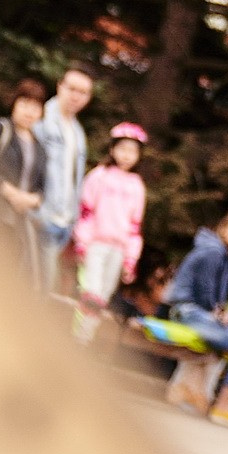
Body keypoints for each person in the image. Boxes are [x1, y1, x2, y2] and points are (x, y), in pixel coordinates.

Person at [163, 209, 228, 419]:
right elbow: (205, 294)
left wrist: (219, 313)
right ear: (223, 228)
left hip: (203, 314)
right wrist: (219, 315)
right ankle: (227, 402)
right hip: (188, 312)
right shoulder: (214, 251)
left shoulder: (226, 256)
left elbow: (214, 299)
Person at [0, 79, 50, 281]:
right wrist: (11, 193)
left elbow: (42, 188)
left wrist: (31, 200)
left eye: (35, 106)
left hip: (16, 225)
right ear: (14, 103)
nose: (29, 111)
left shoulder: (40, 148)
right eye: (24, 103)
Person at [71, 122, 149, 317]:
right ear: (112, 149)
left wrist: (131, 258)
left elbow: (135, 227)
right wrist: (82, 241)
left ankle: (85, 338)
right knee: (91, 292)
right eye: (122, 148)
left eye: (132, 151)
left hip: (119, 249)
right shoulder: (99, 176)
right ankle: (76, 336)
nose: (126, 155)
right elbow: (86, 212)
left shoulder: (137, 186)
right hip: (96, 244)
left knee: (103, 297)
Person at [32, 66, 95, 291]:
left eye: (83, 92)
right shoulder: (41, 119)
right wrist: (36, 210)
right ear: (60, 86)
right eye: (72, 89)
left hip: (63, 223)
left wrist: (72, 221)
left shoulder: (78, 132)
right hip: (41, 215)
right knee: (37, 289)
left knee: (41, 288)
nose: (76, 96)